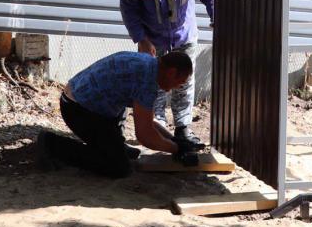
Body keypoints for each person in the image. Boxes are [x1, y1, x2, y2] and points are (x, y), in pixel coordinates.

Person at [37, 51, 195, 178]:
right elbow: (145, 135)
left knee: (121, 147)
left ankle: (116, 145)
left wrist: (174, 140)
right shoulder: (146, 81)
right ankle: (52, 144)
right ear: (172, 72)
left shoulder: (149, 63)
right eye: (179, 83)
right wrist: (177, 149)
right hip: (79, 110)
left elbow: (146, 120)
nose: (173, 89)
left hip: (82, 101)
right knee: (117, 167)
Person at [120, 0, 213, 148]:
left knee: (184, 80)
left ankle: (183, 128)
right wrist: (141, 39)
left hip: (184, 33)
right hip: (152, 37)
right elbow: (128, 8)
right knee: (154, 80)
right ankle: (156, 125)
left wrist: (216, 17)